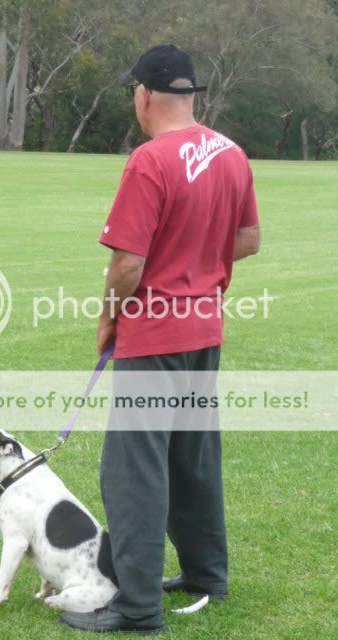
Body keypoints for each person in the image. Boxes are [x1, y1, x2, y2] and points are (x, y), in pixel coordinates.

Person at [60, 44, 260, 633]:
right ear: (190, 94)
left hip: (154, 334)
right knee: (191, 457)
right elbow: (248, 240)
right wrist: (197, 261)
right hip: (204, 331)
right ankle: (205, 576)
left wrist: (107, 321)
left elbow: (127, 262)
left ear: (144, 94)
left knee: (135, 470)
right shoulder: (232, 152)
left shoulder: (150, 159)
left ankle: (138, 605)